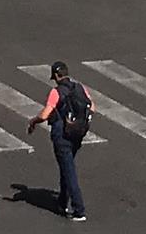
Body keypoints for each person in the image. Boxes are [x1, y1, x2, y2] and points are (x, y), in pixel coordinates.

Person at [27, 60, 93, 222]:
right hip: (77, 134)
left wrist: (33, 122)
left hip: (62, 135)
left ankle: (79, 210)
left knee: (69, 171)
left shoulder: (56, 92)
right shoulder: (80, 87)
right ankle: (62, 202)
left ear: (56, 75)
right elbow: (92, 106)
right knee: (66, 167)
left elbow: (44, 115)